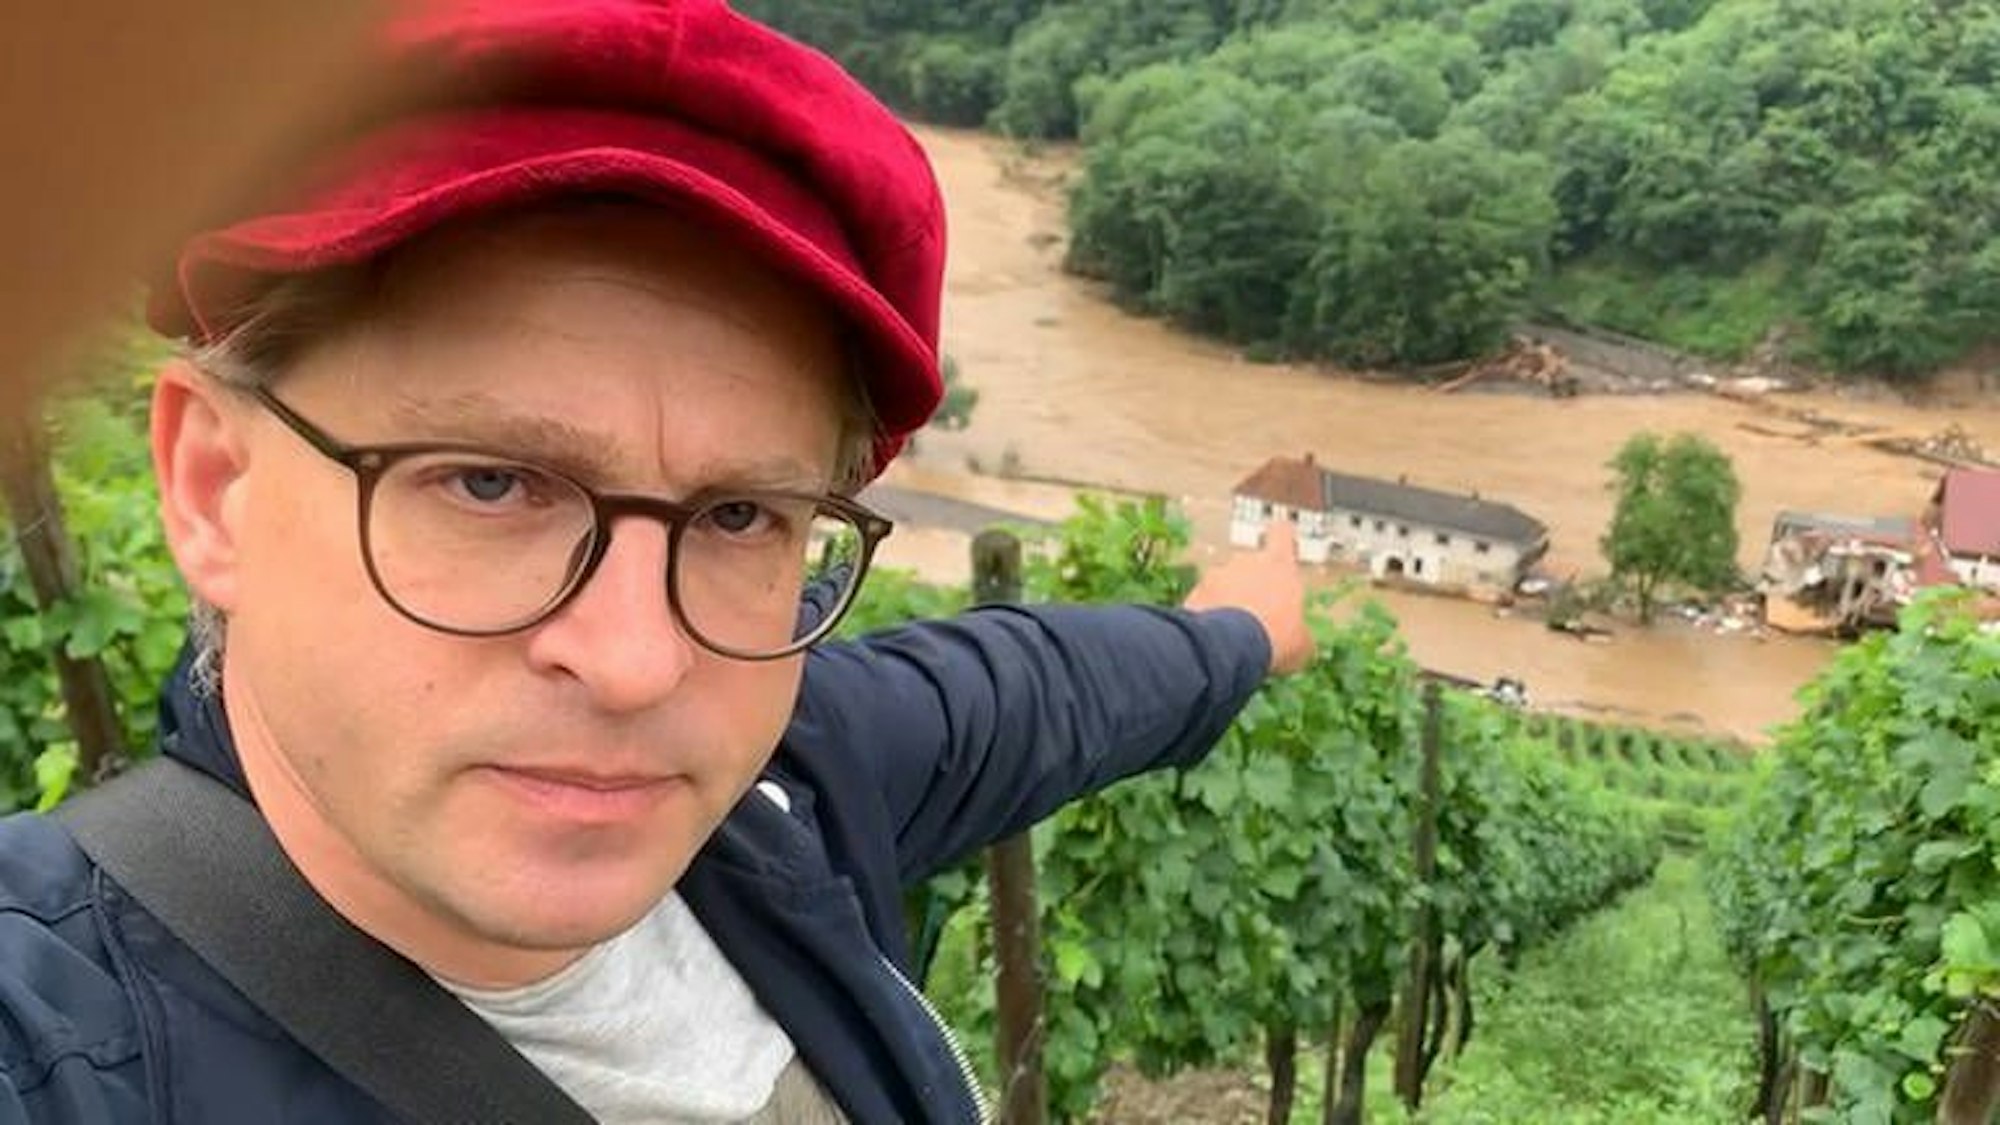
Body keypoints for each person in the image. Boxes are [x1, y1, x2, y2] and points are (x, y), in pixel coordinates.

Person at [0, 1, 1310, 1122]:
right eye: (491, 481)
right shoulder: (55, 1044)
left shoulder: (782, 787)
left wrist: (1244, 626)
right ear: (215, 487)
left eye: (740, 514)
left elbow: (1031, 691)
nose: (637, 662)